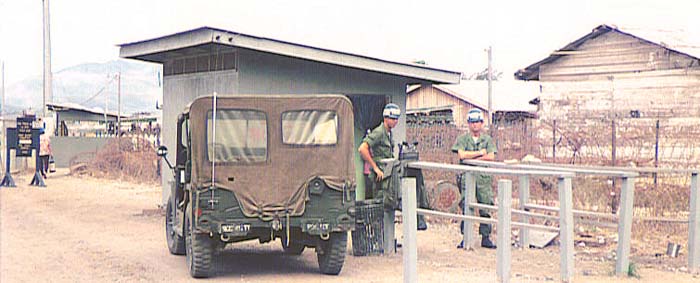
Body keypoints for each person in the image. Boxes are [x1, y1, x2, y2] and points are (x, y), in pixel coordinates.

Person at [358, 103, 428, 230]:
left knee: (389, 205)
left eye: (396, 119)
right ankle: (381, 239)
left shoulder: (389, 133)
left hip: (388, 174)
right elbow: (362, 148)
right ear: (385, 118)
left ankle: (388, 239)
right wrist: (375, 167)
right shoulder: (379, 132)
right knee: (381, 206)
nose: (395, 122)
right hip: (381, 177)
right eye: (392, 119)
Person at [452, 109, 497, 249]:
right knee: (466, 205)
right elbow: (461, 155)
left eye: (477, 122)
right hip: (467, 176)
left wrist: (471, 156)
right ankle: (466, 237)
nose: (475, 125)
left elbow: (491, 156)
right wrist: (479, 153)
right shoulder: (462, 139)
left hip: (483, 178)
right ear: (468, 124)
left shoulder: (487, 140)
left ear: (482, 123)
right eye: (472, 122)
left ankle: (485, 236)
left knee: (485, 206)